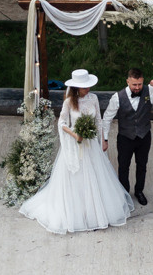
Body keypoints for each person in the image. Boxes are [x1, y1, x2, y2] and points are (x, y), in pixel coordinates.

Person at [20, 68, 135, 234]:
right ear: (75, 88)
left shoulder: (93, 98)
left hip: (91, 145)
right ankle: (78, 212)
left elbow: (98, 120)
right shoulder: (69, 102)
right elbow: (62, 123)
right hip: (75, 144)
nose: (87, 90)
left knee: (95, 175)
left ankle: (96, 210)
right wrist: (75, 135)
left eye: (88, 86)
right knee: (76, 176)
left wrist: (102, 139)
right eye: (84, 87)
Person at [100, 67, 153, 206]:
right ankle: (124, 194)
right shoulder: (117, 97)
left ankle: (139, 191)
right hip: (125, 138)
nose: (137, 87)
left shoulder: (150, 91)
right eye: (134, 84)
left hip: (144, 137)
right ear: (128, 81)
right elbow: (107, 118)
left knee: (142, 165)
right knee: (123, 167)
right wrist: (104, 139)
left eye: (140, 84)